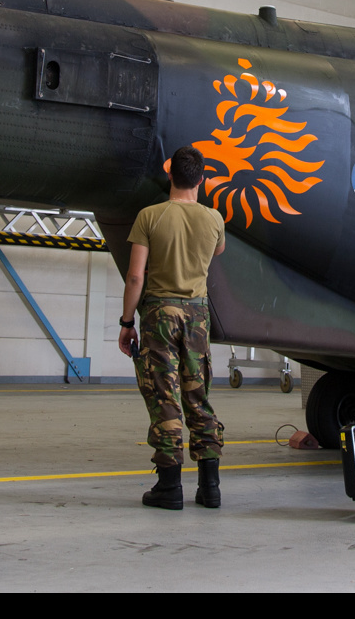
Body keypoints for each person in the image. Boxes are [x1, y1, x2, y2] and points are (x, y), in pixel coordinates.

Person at [120, 145, 227, 510]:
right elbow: (216, 252)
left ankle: (169, 487)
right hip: (197, 316)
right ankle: (210, 487)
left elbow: (136, 277)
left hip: (159, 316)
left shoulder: (149, 216)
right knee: (198, 396)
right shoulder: (214, 220)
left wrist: (126, 322)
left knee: (164, 397)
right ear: (202, 178)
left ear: (171, 175)